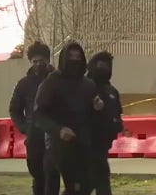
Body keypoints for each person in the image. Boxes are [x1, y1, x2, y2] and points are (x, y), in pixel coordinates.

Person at [34, 41, 104, 194]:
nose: (74, 60)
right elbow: (38, 114)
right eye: (71, 56)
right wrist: (58, 130)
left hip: (82, 143)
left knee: (84, 186)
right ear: (64, 58)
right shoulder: (52, 82)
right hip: (57, 144)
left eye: (78, 57)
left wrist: (98, 107)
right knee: (53, 185)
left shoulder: (88, 85)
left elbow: (94, 110)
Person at [9, 41, 60, 195]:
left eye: (41, 61)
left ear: (47, 60)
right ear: (30, 62)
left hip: (54, 136)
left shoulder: (58, 80)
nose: (38, 64)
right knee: (38, 174)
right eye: (34, 61)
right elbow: (15, 110)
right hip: (34, 137)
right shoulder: (23, 84)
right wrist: (25, 128)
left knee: (52, 173)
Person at [87, 51, 123, 195]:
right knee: (86, 183)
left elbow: (117, 113)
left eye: (106, 65)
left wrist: (117, 125)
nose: (104, 68)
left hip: (103, 143)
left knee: (99, 180)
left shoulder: (112, 91)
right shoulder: (85, 87)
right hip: (85, 143)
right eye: (100, 65)